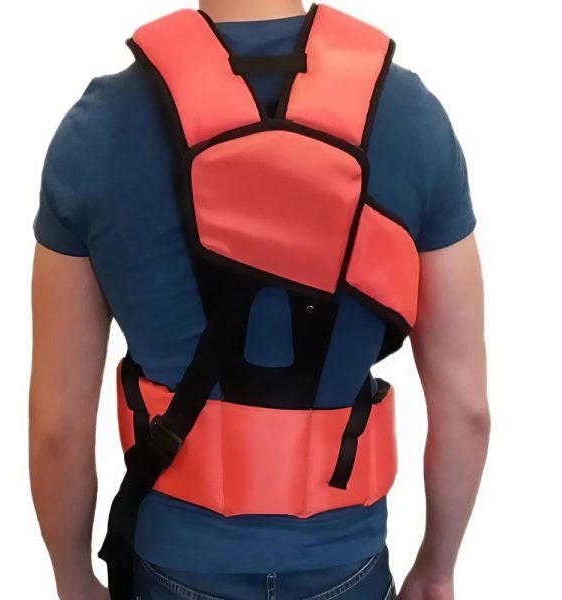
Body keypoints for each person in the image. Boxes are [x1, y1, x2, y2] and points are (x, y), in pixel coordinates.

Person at [29, 1, 490, 598]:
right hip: (344, 566)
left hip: (174, 567)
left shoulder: (96, 131)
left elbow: (58, 428)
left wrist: (71, 576)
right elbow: (467, 410)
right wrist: (436, 567)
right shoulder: (413, 116)